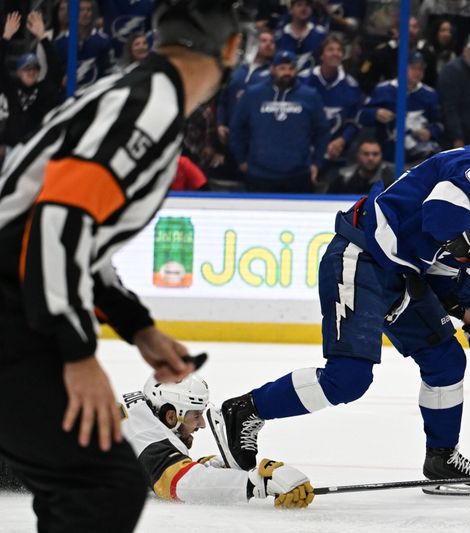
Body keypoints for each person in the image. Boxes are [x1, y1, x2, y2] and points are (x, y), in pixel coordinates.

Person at [208, 111, 470, 496]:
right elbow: (441, 220)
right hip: (363, 258)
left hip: (398, 275)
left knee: (445, 359)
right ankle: (244, 411)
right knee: (348, 378)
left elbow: (439, 276)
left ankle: (442, 459)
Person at [0, 2, 242, 531]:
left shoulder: (140, 94)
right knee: (100, 483)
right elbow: (57, 221)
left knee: (79, 480)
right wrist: (77, 351)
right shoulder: (149, 104)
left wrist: (137, 326)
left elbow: (78, 237)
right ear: (231, 49)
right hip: (14, 298)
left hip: (22, 292)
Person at [122, 374, 314, 507]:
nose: (202, 424)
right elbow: (180, 483)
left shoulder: (140, 416)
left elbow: (150, 471)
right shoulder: (145, 433)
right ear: (172, 416)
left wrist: (204, 465)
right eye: (196, 415)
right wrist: (254, 483)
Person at [230, 49, 330, 193]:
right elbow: (236, 128)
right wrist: (241, 159)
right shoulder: (253, 94)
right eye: (282, 68)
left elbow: (322, 131)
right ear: (272, 69)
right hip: (259, 175)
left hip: (298, 175)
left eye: (291, 68)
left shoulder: (310, 96)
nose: (287, 73)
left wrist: (316, 163)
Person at [357, 50, 442, 164]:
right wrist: (376, 113)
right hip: (387, 157)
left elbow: (439, 124)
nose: (417, 72)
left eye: (421, 69)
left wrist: (430, 132)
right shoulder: (383, 90)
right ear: (402, 68)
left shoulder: (430, 95)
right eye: (413, 68)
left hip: (419, 160)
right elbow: (361, 115)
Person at [298, 35, 363, 181]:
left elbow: (355, 120)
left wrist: (341, 140)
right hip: (303, 151)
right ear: (321, 55)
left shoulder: (351, 85)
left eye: (339, 50)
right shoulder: (303, 80)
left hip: (336, 152)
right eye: (330, 49)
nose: (336, 53)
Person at [0, 11, 62, 152]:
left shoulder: (43, 89)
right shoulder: (12, 89)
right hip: (13, 150)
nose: (31, 71)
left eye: (34, 69)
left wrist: (42, 37)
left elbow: (56, 69)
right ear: (18, 72)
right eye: (26, 69)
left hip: (36, 149)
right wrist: (6, 37)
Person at [53, 0, 114, 89]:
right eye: (81, 10)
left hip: (94, 96)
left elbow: (108, 73)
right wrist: (61, 81)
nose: (86, 14)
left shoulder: (103, 41)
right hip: (69, 98)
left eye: (89, 10)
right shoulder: (60, 43)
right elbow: (54, 76)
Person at [275, 0, 329, 72]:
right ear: (291, 10)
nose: (304, 8)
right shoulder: (279, 36)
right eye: (299, 5)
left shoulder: (321, 34)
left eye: (307, 5)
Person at [328, 138, 396, 193]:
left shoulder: (391, 177)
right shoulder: (344, 177)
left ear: (381, 156)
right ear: (358, 155)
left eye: (375, 154)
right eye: (366, 154)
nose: (370, 158)